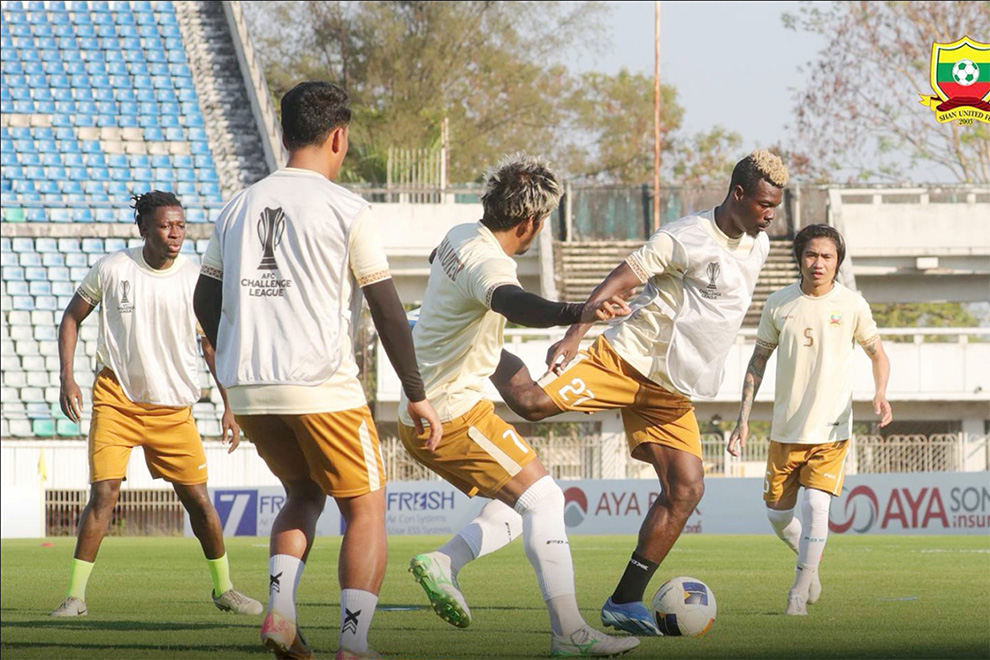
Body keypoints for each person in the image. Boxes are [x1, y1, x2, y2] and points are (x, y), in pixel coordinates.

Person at [479, 150, 789, 635]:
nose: (772, 214)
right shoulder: (684, 236)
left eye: (777, 205)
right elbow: (623, 278)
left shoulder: (760, 245)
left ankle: (624, 601)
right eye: (765, 204)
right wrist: (575, 332)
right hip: (627, 361)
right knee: (533, 405)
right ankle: (474, 345)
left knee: (685, 489)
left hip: (673, 391)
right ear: (739, 195)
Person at [193, 81, 441, 660]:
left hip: (252, 387)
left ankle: (281, 614)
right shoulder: (347, 208)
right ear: (339, 137)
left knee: (302, 493)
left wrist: (233, 359)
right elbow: (386, 309)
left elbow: (205, 301)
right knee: (366, 508)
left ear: (284, 135)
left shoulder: (237, 205)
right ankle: (353, 643)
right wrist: (417, 393)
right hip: (322, 386)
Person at [399, 156, 639, 658]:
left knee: (519, 507)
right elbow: (514, 301)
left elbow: (448, 282)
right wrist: (581, 312)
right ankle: (569, 633)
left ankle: (445, 563)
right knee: (546, 500)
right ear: (530, 223)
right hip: (452, 412)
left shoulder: (459, 234)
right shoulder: (492, 263)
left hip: (429, 406)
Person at [50, 192, 261, 619]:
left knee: (199, 501)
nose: (175, 233)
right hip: (116, 398)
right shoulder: (113, 268)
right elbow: (71, 316)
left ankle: (225, 589)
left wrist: (229, 404)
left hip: (173, 408)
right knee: (104, 494)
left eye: (181, 226)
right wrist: (67, 377)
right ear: (144, 228)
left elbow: (210, 347)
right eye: (166, 226)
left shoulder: (195, 279)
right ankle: (74, 597)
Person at [727, 223, 892, 616]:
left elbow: (878, 354)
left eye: (828, 256)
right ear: (800, 259)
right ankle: (810, 565)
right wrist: (742, 419)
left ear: (838, 262)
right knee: (777, 515)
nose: (819, 263)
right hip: (786, 429)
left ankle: (798, 592)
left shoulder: (852, 304)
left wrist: (880, 392)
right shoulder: (778, 304)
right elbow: (757, 361)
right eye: (812, 255)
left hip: (832, 429)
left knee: (817, 506)